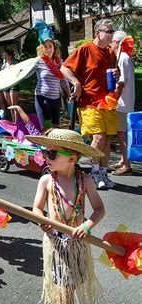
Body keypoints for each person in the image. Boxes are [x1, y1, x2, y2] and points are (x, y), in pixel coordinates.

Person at [29, 128, 105, 304]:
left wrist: (88, 226)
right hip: (55, 240)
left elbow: (99, 209)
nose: (46, 157)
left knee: (76, 279)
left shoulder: (85, 180)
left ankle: (65, 303)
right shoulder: (46, 180)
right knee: (65, 281)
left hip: (78, 240)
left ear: (72, 157)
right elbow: (36, 207)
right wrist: (41, 219)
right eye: (45, 152)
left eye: (52, 154)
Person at [60, 19, 118, 190]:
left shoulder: (110, 53)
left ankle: (103, 173)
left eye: (112, 31)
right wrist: (76, 82)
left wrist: (116, 74)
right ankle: (93, 172)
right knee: (98, 137)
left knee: (107, 139)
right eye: (108, 31)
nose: (111, 34)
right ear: (97, 33)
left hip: (107, 102)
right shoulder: (86, 48)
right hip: (88, 102)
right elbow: (65, 68)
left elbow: (110, 75)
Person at [33, 19, 71, 128]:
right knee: (46, 129)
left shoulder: (60, 62)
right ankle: (46, 145)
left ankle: (53, 146)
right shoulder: (38, 61)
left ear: (54, 47)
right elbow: (26, 74)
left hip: (56, 100)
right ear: (41, 48)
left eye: (50, 46)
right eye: (45, 46)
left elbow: (63, 79)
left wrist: (68, 93)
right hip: (42, 99)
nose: (48, 49)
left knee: (55, 129)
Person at [110, 30, 135, 176]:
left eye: (113, 41)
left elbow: (121, 82)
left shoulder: (122, 58)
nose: (111, 44)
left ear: (118, 42)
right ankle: (122, 160)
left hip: (122, 103)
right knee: (123, 132)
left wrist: (113, 98)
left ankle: (126, 164)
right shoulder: (125, 57)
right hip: (127, 101)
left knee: (121, 134)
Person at [2, 48, 20, 122]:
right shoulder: (4, 66)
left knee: (14, 105)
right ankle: (13, 121)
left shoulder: (16, 64)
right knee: (10, 106)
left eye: (5, 55)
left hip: (14, 85)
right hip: (6, 86)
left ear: (10, 56)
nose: (4, 57)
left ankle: (17, 123)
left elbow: (19, 74)